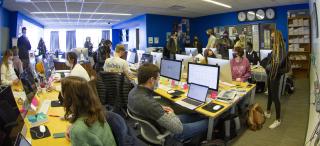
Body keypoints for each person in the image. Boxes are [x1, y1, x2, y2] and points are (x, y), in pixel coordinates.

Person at [128, 63, 208, 141]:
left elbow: (147, 106)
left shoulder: (133, 92)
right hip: (171, 131)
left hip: (157, 121)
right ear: (152, 80)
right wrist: (172, 113)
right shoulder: (150, 104)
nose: (158, 81)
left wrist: (160, 107)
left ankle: (202, 118)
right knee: (209, 122)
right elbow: (178, 129)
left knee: (197, 116)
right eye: (158, 78)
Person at [61, 76, 116, 146]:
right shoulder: (97, 113)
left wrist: (75, 134)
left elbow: (81, 130)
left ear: (69, 98)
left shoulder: (78, 130)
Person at [263, 31, 290, 129]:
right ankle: (268, 111)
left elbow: (278, 65)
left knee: (275, 97)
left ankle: (278, 119)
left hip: (275, 76)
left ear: (277, 38)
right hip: (270, 75)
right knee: (270, 94)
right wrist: (268, 65)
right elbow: (272, 62)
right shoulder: (275, 49)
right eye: (271, 37)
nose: (271, 38)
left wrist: (270, 67)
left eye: (273, 37)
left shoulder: (282, 50)